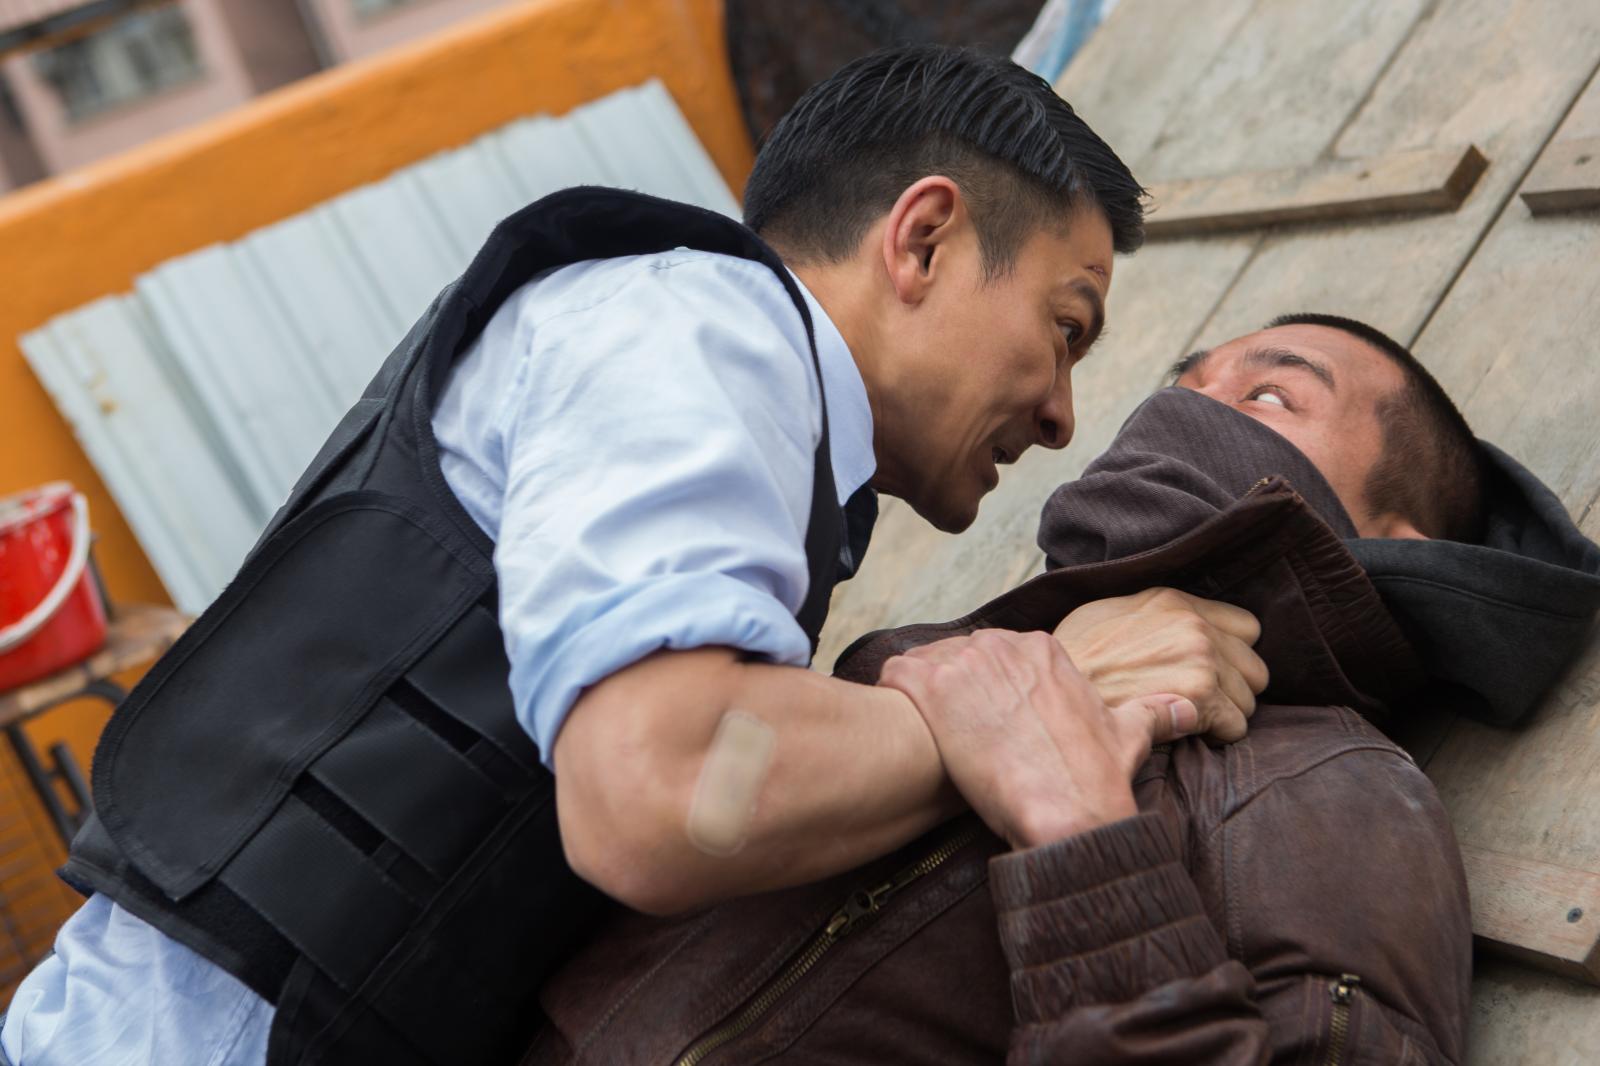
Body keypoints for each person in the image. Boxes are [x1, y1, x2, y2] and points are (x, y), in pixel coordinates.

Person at [0, 47, 1270, 1066]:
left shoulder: (747, 401)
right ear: (923, 239)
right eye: (1064, 327)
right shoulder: (696, 333)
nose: (1059, 413)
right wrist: (1045, 700)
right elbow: (670, 787)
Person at [524, 314, 1600, 1064]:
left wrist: (1082, 843)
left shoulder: (1335, 791)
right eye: (1186, 380)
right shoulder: (947, 644)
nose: (1184, 406)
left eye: (1269, 394)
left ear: (1395, 543)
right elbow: (693, 825)